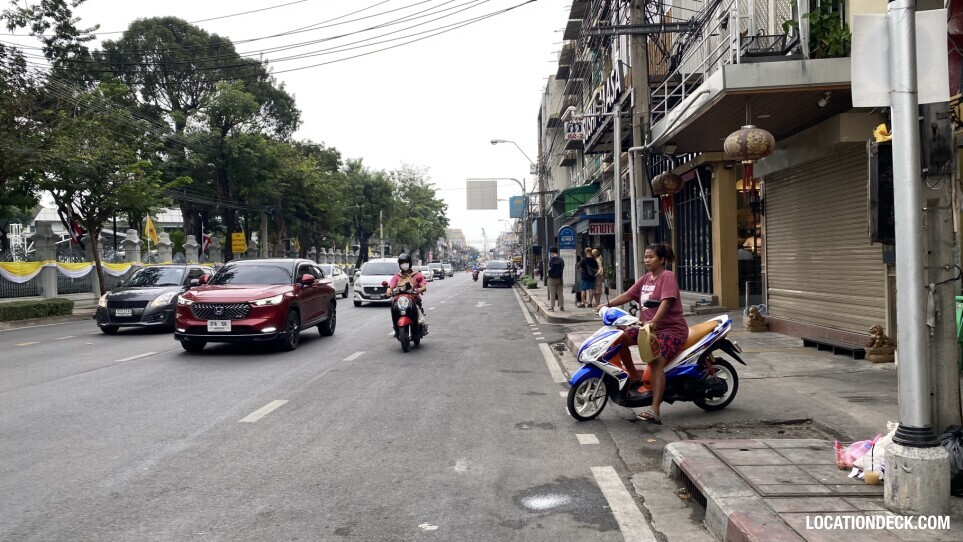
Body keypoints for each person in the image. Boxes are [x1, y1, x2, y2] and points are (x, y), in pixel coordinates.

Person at [597, 243, 688, 425]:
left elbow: (666, 302)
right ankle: (635, 377)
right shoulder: (646, 278)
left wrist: (654, 322)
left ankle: (655, 410)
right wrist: (606, 306)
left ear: (661, 259)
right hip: (647, 328)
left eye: (651, 257)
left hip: (670, 330)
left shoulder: (667, 277)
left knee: (655, 362)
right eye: (645, 257)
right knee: (618, 339)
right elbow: (628, 295)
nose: (647, 260)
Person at [388, 253, 427, 337]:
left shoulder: (417, 275)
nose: (404, 264)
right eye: (402, 263)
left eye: (405, 262)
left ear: (410, 263)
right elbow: (391, 285)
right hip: (400, 299)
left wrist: (420, 289)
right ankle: (395, 327)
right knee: (393, 307)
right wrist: (388, 290)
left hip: (414, 298)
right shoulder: (397, 276)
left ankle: (420, 323)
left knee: (417, 305)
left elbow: (423, 284)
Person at [546, 247, 565, 312]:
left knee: (552, 293)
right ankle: (561, 307)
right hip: (559, 278)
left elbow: (549, 269)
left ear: (551, 252)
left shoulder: (551, 260)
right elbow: (563, 267)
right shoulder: (561, 259)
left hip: (551, 279)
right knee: (560, 293)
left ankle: (552, 307)